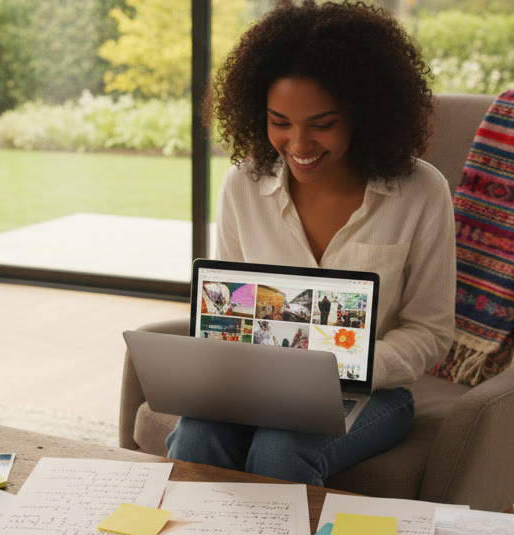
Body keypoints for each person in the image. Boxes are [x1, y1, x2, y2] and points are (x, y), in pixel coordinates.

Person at [165, 0, 454, 486]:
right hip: (258, 387)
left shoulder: (421, 192)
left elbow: (430, 330)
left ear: (363, 112)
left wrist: (345, 366)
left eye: (322, 124)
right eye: (280, 122)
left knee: (282, 448)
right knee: (195, 436)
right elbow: (228, 310)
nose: (298, 145)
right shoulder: (242, 186)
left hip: (374, 393)